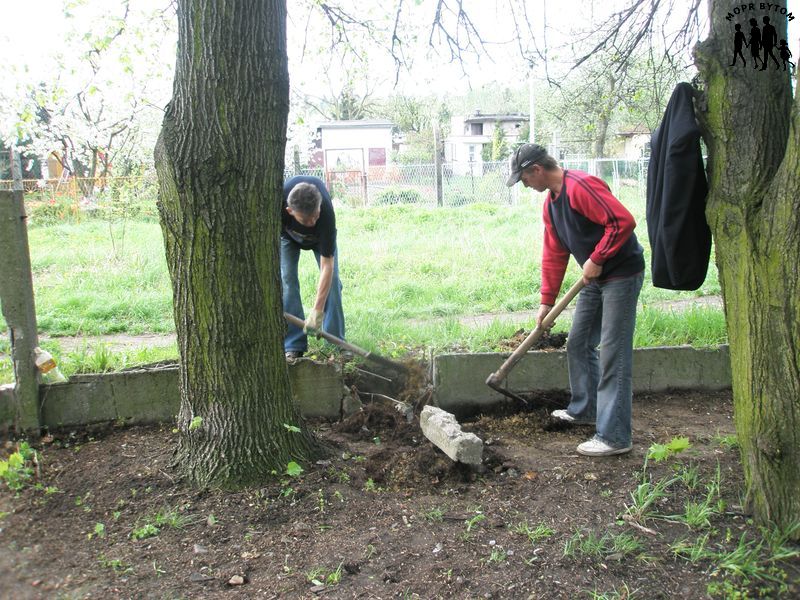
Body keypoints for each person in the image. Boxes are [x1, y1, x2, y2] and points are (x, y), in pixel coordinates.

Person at [506, 144, 645, 456]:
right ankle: (586, 410)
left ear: (536, 170)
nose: (526, 185)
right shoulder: (551, 205)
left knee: (613, 353)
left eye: (524, 179)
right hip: (594, 278)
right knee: (578, 342)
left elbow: (622, 222)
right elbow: (554, 253)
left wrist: (597, 258)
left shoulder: (581, 187)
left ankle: (614, 436)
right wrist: (546, 301)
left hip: (620, 275)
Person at [281, 175, 346, 360]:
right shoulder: (278, 207)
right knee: (287, 281)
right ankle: (293, 344)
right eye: (306, 220)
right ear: (290, 211)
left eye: (315, 216)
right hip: (287, 237)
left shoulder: (325, 215)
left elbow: (327, 266)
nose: (312, 223)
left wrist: (317, 311)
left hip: (320, 240)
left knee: (332, 282)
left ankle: (335, 342)